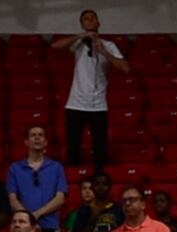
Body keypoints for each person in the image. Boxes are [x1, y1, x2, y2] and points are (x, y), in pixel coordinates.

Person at [54, 9, 125, 168]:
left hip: (98, 105)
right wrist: (81, 36)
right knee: (73, 148)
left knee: (100, 149)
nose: (90, 21)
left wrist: (103, 51)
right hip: (75, 104)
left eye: (93, 18)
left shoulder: (109, 45)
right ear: (82, 24)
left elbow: (125, 68)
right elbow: (56, 46)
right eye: (86, 19)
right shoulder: (77, 45)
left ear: (98, 23)